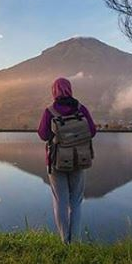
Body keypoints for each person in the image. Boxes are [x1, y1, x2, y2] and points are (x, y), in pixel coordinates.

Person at [37, 77, 96, 243]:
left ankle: (65, 242)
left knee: (60, 201)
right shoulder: (81, 109)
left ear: (53, 91)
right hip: (79, 160)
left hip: (56, 162)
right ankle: (75, 241)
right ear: (70, 89)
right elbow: (92, 131)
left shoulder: (50, 111)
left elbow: (43, 135)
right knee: (76, 201)